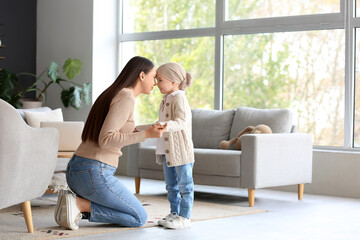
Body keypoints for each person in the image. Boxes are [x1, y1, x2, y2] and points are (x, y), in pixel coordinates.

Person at [54, 56, 167, 230]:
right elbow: (106, 139)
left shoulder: (116, 92)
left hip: (80, 170)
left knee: (130, 212)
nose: (156, 82)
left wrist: (146, 130)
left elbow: (116, 131)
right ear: (142, 75)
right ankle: (79, 205)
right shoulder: (126, 97)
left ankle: (75, 205)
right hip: (93, 172)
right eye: (154, 77)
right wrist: (145, 134)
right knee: (138, 217)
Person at [138, 62, 195, 229]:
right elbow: (160, 123)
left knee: (185, 185)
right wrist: (140, 128)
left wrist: (166, 125)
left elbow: (181, 122)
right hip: (166, 151)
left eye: (160, 80)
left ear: (173, 81)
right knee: (171, 186)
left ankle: (185, 217)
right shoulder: (165, 99)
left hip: (181, 151)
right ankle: (174, 213)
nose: (156, 84)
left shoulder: (179, 97)